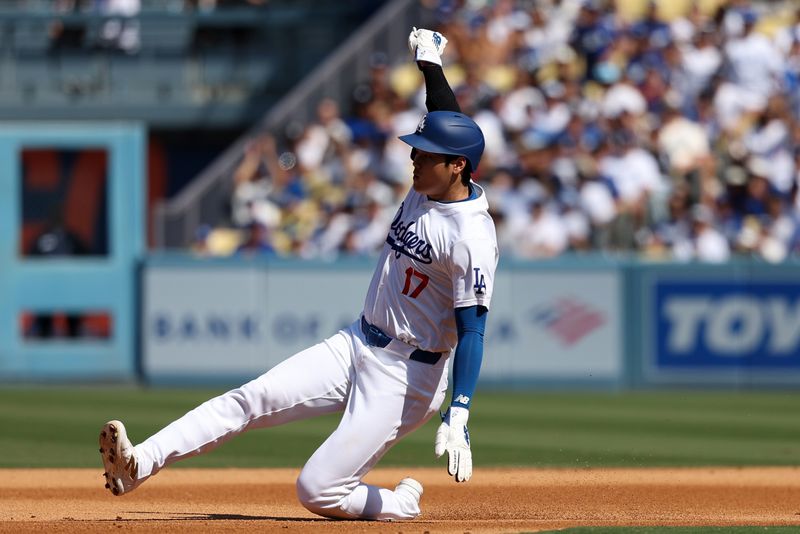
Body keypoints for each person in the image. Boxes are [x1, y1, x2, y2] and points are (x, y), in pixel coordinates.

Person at [99, 27, 498, 521]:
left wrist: (459, 411)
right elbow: (444, 117)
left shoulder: (471, 238)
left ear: (458, 166)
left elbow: (473, 329)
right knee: (251, 398)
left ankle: (399, 503)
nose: (414, 156)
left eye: (425, 153)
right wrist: (429, 62)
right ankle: (138, 464)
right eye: (416, 148)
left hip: (408, 376)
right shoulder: (433, 182)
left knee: (316, 490)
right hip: (356, 342)